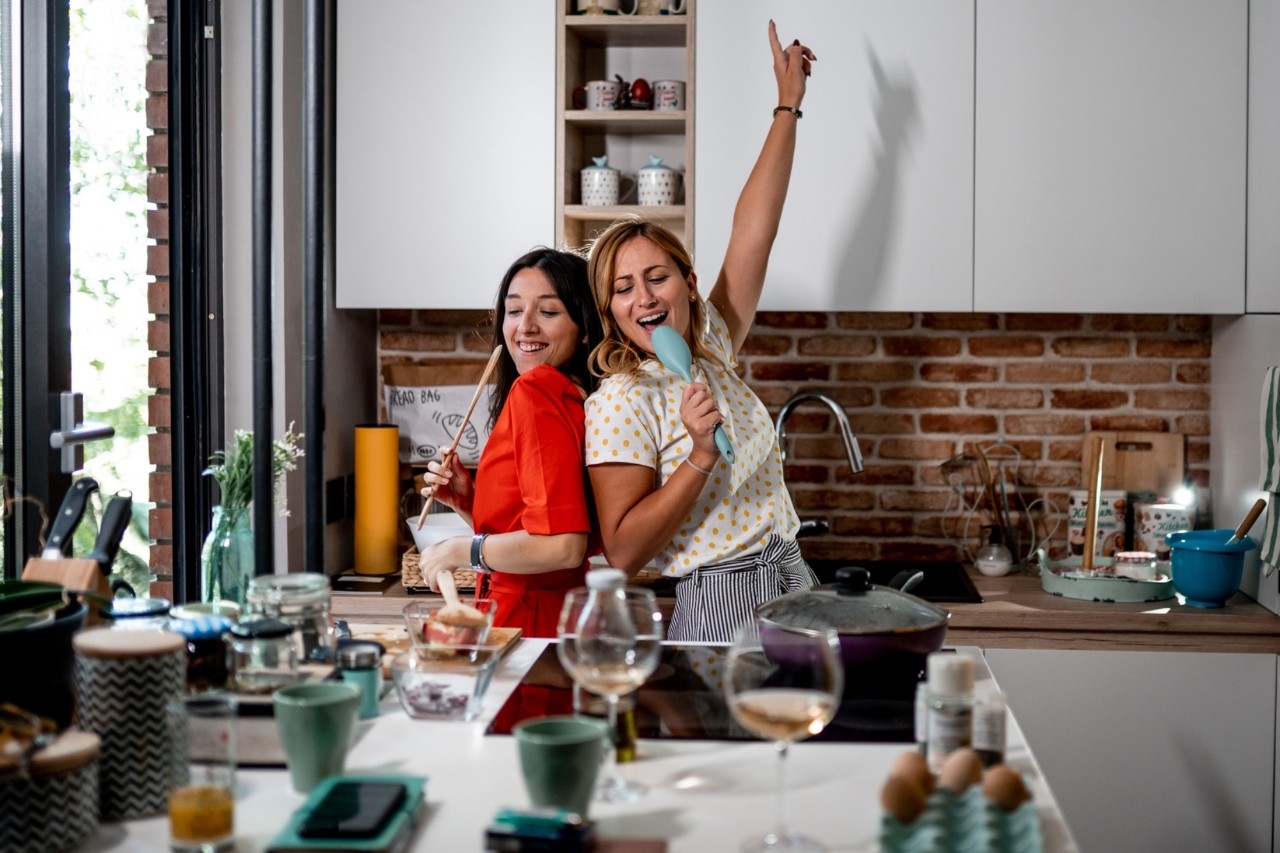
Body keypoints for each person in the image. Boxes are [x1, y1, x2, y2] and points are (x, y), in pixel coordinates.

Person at [584, 20, 816, 643]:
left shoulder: (713, 347)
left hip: (789, 574)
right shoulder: (621, 401)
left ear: (689, 283)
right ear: (611, 313)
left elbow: (753, 232)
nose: (643, 297)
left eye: (656, 276)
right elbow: (624, 552)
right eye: (623, 288)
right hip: (719, 598)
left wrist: (787, 105)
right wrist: (700, 455)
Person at [418, 247, 603, 638]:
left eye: (548, 312)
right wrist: (469, 501)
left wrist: (459, 550)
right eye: (514, 310)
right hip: (558, 612)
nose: (525, 327)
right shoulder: (572, 394)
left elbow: (562, 545)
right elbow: (542, 526)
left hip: (528, 615)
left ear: (584, 326)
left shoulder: (536, 390)